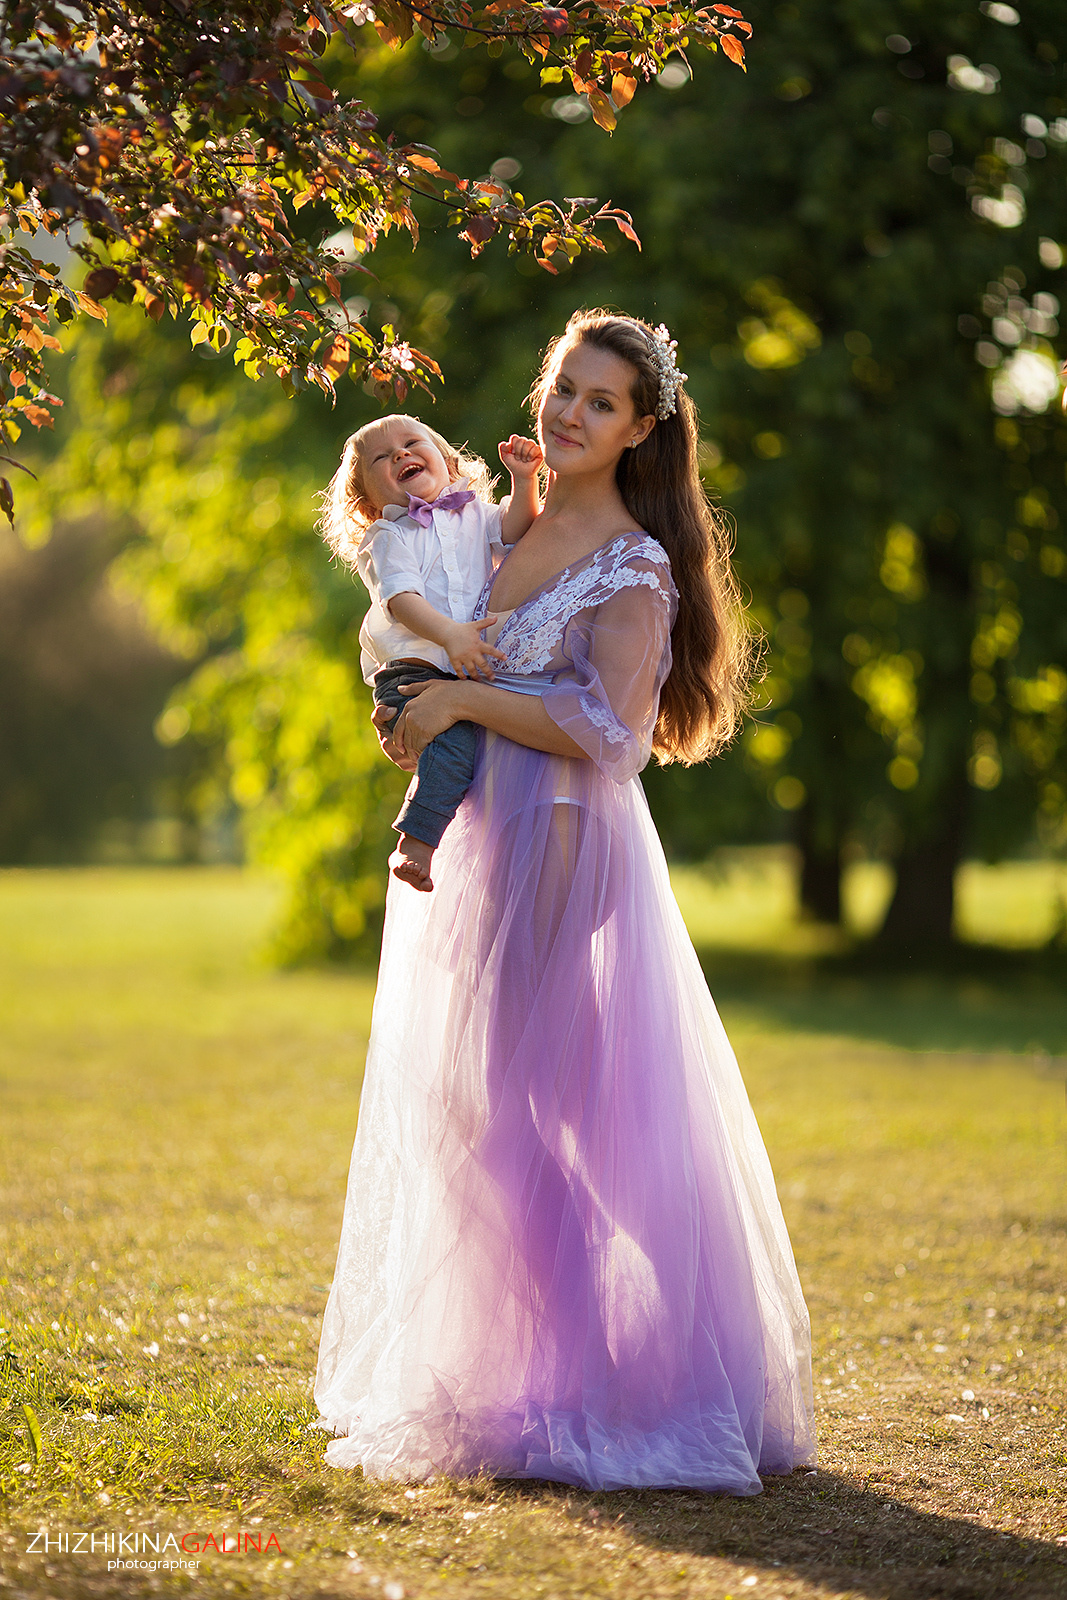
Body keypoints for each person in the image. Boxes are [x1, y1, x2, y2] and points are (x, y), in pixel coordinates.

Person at [314, 311, 817, 1494]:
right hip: (489, 831)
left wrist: (461, 707)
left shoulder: (634, 564)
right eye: (561, 389)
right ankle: (569, 1355)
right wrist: (414, 707)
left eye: (600, 402)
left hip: (560, 834)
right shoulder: (509, 527)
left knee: (509, 1094)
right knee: (502, 1096)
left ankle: (635, 1359)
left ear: (641, 429)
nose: (570, 414)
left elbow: (609, 728)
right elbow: (442, 635)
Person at [320, 414, 544, 891]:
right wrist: (450, 636)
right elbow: (401, 601)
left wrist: (525, 480)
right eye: (382, 458)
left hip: (462, 671)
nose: (400, 454)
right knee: (455, 746)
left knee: (483, 753)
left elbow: (517, 531)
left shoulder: (475, 514)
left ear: (447, 462)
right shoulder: (388, 537)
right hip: (413, 672)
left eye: (410, 443)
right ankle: (415, 843)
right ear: (367, 502)